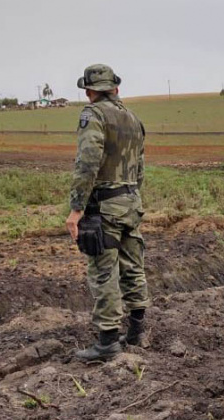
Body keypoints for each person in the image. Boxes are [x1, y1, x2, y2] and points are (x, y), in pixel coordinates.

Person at [65, 64, 149, 362]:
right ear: (115, 88)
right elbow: (139, 167)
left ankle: (107, 342)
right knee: (132, 266)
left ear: (89, 91)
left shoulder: (94, 115)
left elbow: (87, 162)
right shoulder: (133, 118)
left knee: (104, 272)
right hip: (131, 202)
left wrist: (76, 208)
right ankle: (138, 332)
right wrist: (131, 196)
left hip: (106, 207)